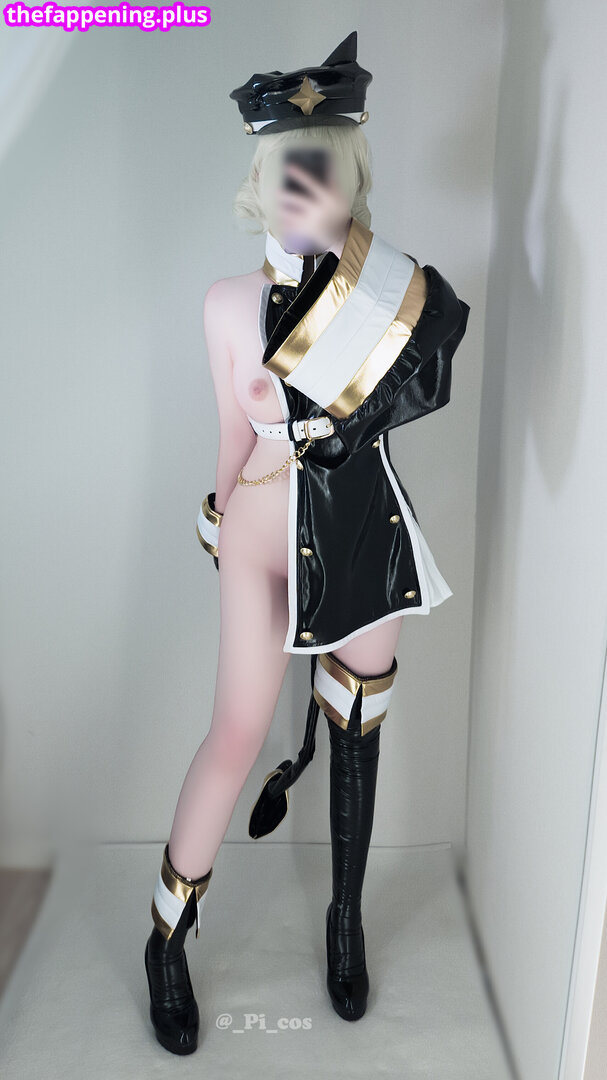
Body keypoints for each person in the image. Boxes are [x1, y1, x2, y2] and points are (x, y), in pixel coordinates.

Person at [144, 30, 470, 1054]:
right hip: (257, 533)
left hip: (360, 525)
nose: (301, 188)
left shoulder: (392, 297)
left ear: (350, 179)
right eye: (286, 168)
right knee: (236, 731)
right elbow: (231, 438)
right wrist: (216, 519)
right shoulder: (223, 305)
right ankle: (166, 938)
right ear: (260, 177)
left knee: (356, 733)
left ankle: (344, 923)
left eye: (321, 169)